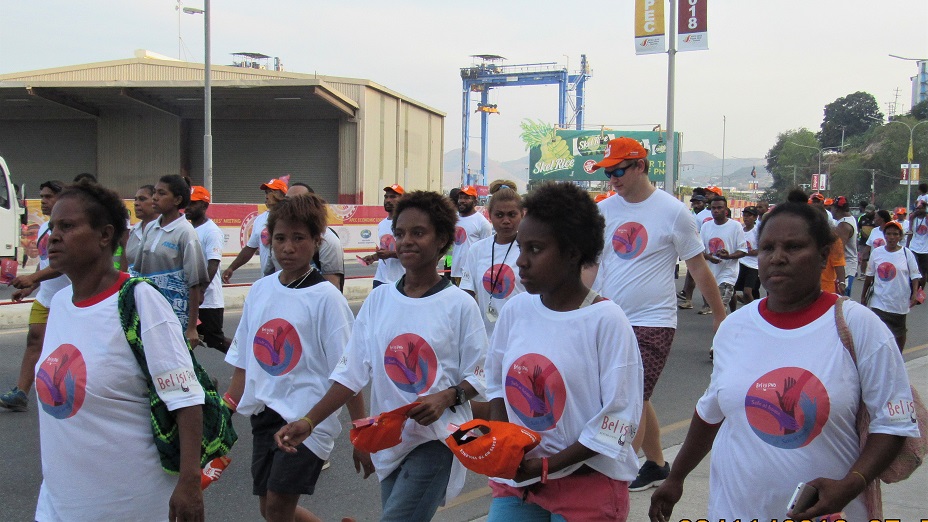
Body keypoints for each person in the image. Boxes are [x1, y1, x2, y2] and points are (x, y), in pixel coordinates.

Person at [648, 192, 920, 522]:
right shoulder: (735, 327)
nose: (777, 257)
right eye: (767, 248)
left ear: (822, 256)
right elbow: (710, 411)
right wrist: (676, 477)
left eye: (793, 247)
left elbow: (894, 422)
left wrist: (851, 485)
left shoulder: (860, 327)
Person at [275, 191, 488, 522]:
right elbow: (350, 374)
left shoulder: (460, 305)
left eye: (418, 233)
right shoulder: (378, 301)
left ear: (442, 239)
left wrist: (446, 397)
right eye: (400, 233)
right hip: (390, 440)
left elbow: (482, 374)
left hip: (438, 439)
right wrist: (308, 421)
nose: (405, 241)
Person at [36, 180, 205, 521]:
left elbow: (186, 400)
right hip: (58, 502)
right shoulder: (59, 304)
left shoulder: (141, 301)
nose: (53, 236)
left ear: (104, 235)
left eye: (67, 226)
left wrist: (190, 484)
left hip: (129, 503)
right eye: (53, 227)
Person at [483, 181, 642, 521]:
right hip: (518, 485)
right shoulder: (516, 311)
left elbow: (619, 419)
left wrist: (547, 466)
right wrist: (503, 447)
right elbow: (495, 383)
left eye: (536, 250)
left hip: (588, 487)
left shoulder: (606, 321)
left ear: (573, 252)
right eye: (520, 249)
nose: (521, 262)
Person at [589, 137, 726, 492]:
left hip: (653, 321)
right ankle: (656, 464)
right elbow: (593, 265)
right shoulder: (605, 211)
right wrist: (578, 307)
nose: (613, 178)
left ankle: (617, 477)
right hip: (609, 319)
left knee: (630, 397)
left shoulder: (672, 211)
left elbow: (697, 266)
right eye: (609, 172)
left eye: (619, 170)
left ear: (641, 166)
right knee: (636, 395)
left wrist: (719, 316)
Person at [223, 194, 357, 522]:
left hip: (309, 421)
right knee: (268, 509)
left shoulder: (327, 299)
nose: (288, 247)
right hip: (264, 415)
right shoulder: (261, 290)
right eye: (280, 238)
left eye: (299, 238)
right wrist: (225, 409)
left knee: (279, 509)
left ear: (316, 241)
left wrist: (361, 432)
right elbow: (244, 359)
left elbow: (349, 372)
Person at [0, 181, 70, 412]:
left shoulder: (69, 229)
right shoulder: (42, 229)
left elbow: (64, 264)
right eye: (41, 196)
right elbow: (45, 263)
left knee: (65, 348)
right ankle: (21, 392)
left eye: (49, 196)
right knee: (34, 341)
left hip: (69, 300)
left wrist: (32, 279)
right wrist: (31, 286)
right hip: (46, 297)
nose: (43, 201)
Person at [134, 174, 209, 347]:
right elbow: (138, 271)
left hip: (174, 315)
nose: (155, 197)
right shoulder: (151, 228)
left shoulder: (186, 233)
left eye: (161, 193)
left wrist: (191, 328)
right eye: (154, 193)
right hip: (148, 311)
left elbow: (194, 283)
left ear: (177, 200)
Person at [460, 179, 525, 337]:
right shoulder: (477, 250)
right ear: (490, 216)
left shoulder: (529, 250)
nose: (506, 221)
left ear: (522, 215)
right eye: (499, 215)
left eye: (512, 215)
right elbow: (467, 293)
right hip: (487, 338)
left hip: (521, 335)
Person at [860, 221, 920, 352]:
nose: (891, 237)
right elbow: (869, 276)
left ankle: (898, 356)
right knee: (878, 332)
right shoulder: (877, 253)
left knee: (899, 333)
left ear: (900, 236)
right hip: (879, 301)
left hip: (899, 302)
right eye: (888, 234)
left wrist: (915, 293)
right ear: (884, 235)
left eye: (895, 234)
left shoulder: (906, 253)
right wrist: (863, 296)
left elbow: (915, 276)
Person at [185, 186, 230, 353]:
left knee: (214, 339)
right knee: (184, 339)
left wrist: (202, 291)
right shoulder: (188, 229)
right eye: (187, 203)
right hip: (190, 296)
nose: (188, 207)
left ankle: (248, 362)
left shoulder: (211, 231)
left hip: (208, 300)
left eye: (193, 203)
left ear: (204, 206)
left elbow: (213, 263)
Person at [222, 178, 288, 284]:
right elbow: (250, 248)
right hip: (267, 281)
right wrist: (231, 268)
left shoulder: (290, 217)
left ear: (282, 195)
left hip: (288, 280)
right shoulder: (260, 219)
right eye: (266, 192)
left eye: (272, 192)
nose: (267, 196)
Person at [286, 183, 346, 291]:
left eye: (298, 201)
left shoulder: (328, 241)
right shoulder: (280, 236)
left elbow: (332, 290)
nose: (290, 206)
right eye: (286, 201)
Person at [699, 195, 747, 317]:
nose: (716, 210)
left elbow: (743, 250)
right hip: (712, 272)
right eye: (713, 208)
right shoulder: (706, 226)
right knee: (728, 296)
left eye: (719, 208)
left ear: (726, 209)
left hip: (729, 272)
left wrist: (728, 256)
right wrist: (709, 257)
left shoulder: (735, 226)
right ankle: (733, 317)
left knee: (721, 303)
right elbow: (700, 251)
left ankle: (722, 329)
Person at [364, 184, 406, 289]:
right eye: (386, 197)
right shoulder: (382, 224)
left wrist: (390, 254)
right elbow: (386, 251)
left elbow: (409, 252)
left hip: (400, 280)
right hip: (380, 279)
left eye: (393, 197)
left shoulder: (406, 223)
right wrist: (374, 257)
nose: (388, 200)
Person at [450, 185, 492, 286]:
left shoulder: (482, 223)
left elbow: (486, 251)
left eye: (467, 198)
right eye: (460, 197)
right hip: (455, 272)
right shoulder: (452, 219)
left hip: (472, 273)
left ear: (475, 202)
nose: (462, 201)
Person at [124, 184, 159, 275]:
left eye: (142, 199)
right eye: (135, 199)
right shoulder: (134, 231)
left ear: (155, 201)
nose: (136, 203)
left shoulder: (164, 230)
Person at [731, 206, 760, 312]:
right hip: (739, 263)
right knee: (732, 290)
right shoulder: (740, 229)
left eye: (749, 216)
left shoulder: (757, 231)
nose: (746, 218)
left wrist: (745, 252)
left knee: (747, 292)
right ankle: (733, 313)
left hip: (752, 266)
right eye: (745, 215)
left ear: (755, 217)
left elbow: (760, 250)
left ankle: (753, 313)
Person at [831, 196, 858, 295]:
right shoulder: (849, 219)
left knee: (841, 300)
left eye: (832, 208)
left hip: (845, 267)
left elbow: (838, 249)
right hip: (848, 265)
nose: (831, 211)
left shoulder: (844, 225)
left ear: (837, 209)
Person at [907, 200, 928, 292]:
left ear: (924, 208)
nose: (918, 210)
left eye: (920, 208)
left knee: (923, 272)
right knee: (914, 270)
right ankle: (913, 290)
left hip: (925, 249)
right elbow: (910, 233)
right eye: (916, 208)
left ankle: (920, 290)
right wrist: (907, 247)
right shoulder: (912, 218)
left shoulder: (927, 218)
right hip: (913, 247)